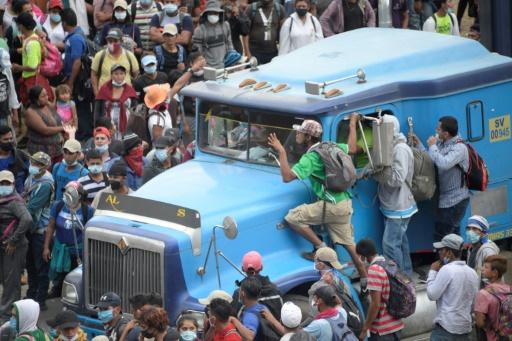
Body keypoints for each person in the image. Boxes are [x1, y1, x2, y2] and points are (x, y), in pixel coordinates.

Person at [267, 120, 367, 287]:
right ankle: (365, 280)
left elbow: (287, 177)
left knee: (293, 217)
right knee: (350, 246)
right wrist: (352, 125)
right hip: (345, 203)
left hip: (331, 205)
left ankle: (321, 249)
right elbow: (353, 148)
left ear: (308, 137)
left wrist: (282, 151)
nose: (297, 134)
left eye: (300, 132)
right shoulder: (332, 146)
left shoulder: (311, 157)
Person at [353, 114, 416, 275]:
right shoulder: (387, 146)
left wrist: (377, 173)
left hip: (399, 205)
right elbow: (373, 162)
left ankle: (398, 278)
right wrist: (360, 175)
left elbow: (397, 179)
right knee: (400, 242)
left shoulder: (400, 149)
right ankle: (406, 274)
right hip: (390, 205)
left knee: (390, 245)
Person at [410, 116, 469, 242]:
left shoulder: (459, 148)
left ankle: (446, 260)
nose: (436, 130)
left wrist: (432, 146)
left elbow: (444, 163)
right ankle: (455, 259)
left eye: (438, 129)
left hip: (456, 200)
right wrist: (419, 144)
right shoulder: (442, 143)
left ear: (446, 133)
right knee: (452, 235)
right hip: (446, 199)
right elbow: (433, 159)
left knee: (443, 236)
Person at [43, 181, 94, 298]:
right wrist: (46, 247)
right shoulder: (58, 205)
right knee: (59, 274)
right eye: (65, 192)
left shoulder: (88, 211)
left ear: (79, 195)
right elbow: (50, 227)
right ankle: (57, 291)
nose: (66, 195)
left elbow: (89, 233)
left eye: (70, 192)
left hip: (77, 253)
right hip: (60, 248)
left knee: (74, 278)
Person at [427, 233, 479, 340]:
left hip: (446, 329)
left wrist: (432, 272)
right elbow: (474, 304)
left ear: (449, 252)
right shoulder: (472, 272)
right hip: (465, 328)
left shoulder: (447, 270)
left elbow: (432, 295)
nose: (439, 253)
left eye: (441, 250)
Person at [356, 239, 404, 341]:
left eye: (359, 256)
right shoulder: (389, 263)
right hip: (396, 324)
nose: (359, 259)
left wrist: (365, 329)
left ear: (363, 256)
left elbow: (375, 304)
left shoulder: (374, 270)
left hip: (382, 330)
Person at [24, 152, 54, 311]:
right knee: (30, 265)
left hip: (40, 231)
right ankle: (31, 294)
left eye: (37, 164)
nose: (33, 166)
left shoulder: (45, 184)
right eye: (32, 162)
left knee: (41, 268)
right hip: (31, 229)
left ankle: (40, 299)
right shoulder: (32, 177)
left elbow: (31, 207)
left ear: (44, 167)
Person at [0, 171, 32, 320]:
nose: (4, 186)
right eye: (2, 183)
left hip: (14, 247)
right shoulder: (2, 199)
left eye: (7, 183)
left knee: (12, 282)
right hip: (5, 245)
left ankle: (8, 316)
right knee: (6, 279)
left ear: (13, 184)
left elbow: (27, 219)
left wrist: (13, 240)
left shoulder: (14, 201)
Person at [62, 8, 94, 141]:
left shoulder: (75, 38)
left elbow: (76, 62)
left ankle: (85, 135)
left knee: (81, 107)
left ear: (64, 23)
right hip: (76, 78)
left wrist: (70, 82)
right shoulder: (76, 35)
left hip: (78, 80)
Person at [12, 12, 55, 106]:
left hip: (32, 80)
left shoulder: (31, 43)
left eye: (18, 25)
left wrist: (19, 67)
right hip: (32, 78)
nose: (18, 27)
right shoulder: (32, 38)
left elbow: (33, 66)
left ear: (22, 26)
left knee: (34, 107)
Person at [231, 251, 283, 321]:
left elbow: (234, 318)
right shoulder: (275, 290)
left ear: (243, 269)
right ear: (261, 267)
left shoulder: (238, 294)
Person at [24, 86, 66, 165]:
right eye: (43, 96)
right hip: (41, 150)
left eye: (46, 95)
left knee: (57, 170)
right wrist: (63, 128)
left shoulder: (47, 105)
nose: (47, 97)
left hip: (56, 148)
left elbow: (57, 119)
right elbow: (45, 130)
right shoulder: (31, 112)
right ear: (35, 99)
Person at [94, 63, 138, 140]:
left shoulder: (130, 90)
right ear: (111, 75)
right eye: (116, 74)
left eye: (121, 73)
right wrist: (97, 126)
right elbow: (97, 110)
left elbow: (135, 110)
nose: (119, 76)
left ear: (125, 75)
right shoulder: (104, 89)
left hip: (126, 126)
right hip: (107, 125)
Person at [91, 28, 140, 95]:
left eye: (115, 41)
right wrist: (96, 93)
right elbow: (94, 75)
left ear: (121, 41)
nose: (112, 44)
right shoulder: (100, 56)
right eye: (110, 41)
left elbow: (136, 75)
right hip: (105, 97)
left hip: (125, 97)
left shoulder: (129, 56)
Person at [474, 255, 510, 341]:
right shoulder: (509, 289)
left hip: (490, 337)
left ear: (494, 273)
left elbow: (480, 323)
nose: (482, 269)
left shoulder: (483, 294)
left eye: (486, 267)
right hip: (506, 335)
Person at [192, 0, 233, 69]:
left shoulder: (226, 26)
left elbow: (229, 44)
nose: (213, 15)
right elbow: (198, 53)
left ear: (219, 14)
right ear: (206, 14)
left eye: (215, 13)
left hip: (226, 65)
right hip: (209, 69)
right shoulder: (199, 30)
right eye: (210, 13)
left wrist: (232, 59)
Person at [243, 0, 285, 64]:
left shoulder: (280, 9)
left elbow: (283, 33)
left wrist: (282, 52)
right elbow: (245, 33)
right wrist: (247, 53)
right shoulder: (251, 9)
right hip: (254, 53)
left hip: (273, 53)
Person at [465, 215, 499, 284]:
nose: (470, 232)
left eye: (474, 229)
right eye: (468, 228)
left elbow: (492, 278)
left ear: (483, 233)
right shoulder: (472, 247)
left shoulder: (488, 251)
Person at [0, 125, 28, 194]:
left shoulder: (20, 155)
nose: (9, 141)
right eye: (6, 139)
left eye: (11, 138)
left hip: (19, 197)